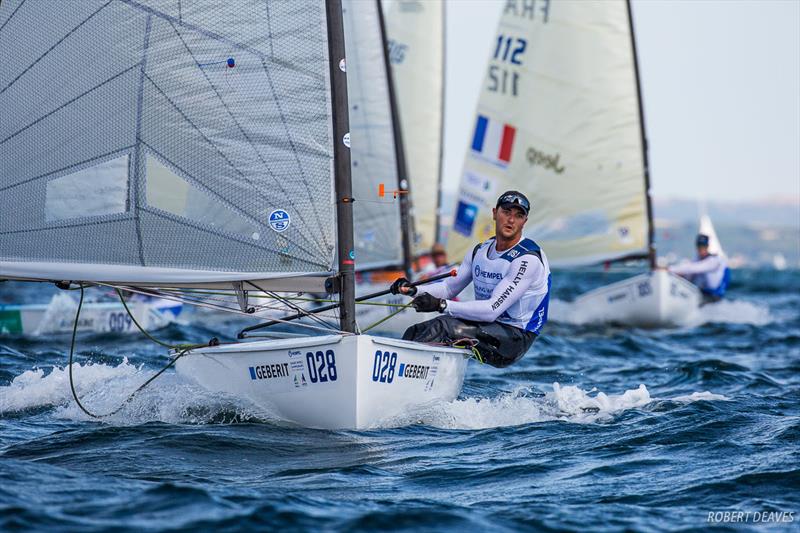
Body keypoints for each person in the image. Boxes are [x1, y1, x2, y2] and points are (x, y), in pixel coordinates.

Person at [390, 191, 551, 368]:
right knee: (417, 331)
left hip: (515, 338)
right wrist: (413, 290)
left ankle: (406, 373)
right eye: (506, 212)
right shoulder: (480, 251)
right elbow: (450, 288)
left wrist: (441, 305)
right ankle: (409, 376)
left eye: (518, 215)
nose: (511, 220)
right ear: (494, 213)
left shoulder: (527, 260)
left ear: (524, 221)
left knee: (442, 327)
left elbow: (491, 309)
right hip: (487, 326)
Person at [668, 234, 730, 303]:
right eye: (699, 246)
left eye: (704, 246)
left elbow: (694, 268)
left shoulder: (714, 261)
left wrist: (668, 269)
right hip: (701, 293)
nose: (701, 249)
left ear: (707, 247)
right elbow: (689, 272)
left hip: (714, 296)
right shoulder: (696, 259)